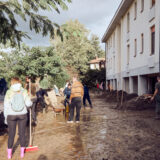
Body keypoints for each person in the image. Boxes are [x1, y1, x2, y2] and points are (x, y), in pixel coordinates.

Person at [4, 77, 32, 159]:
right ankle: (22, 154)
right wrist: (30, 101)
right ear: (19, 82)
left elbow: (6, 106)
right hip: (22, 115)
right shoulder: (23, 91)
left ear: (12, 83)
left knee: (11, 135)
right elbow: (28, 104)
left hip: (11, 115)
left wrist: (6, 117)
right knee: (22, 134)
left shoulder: (9, 92)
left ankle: (9, 155)